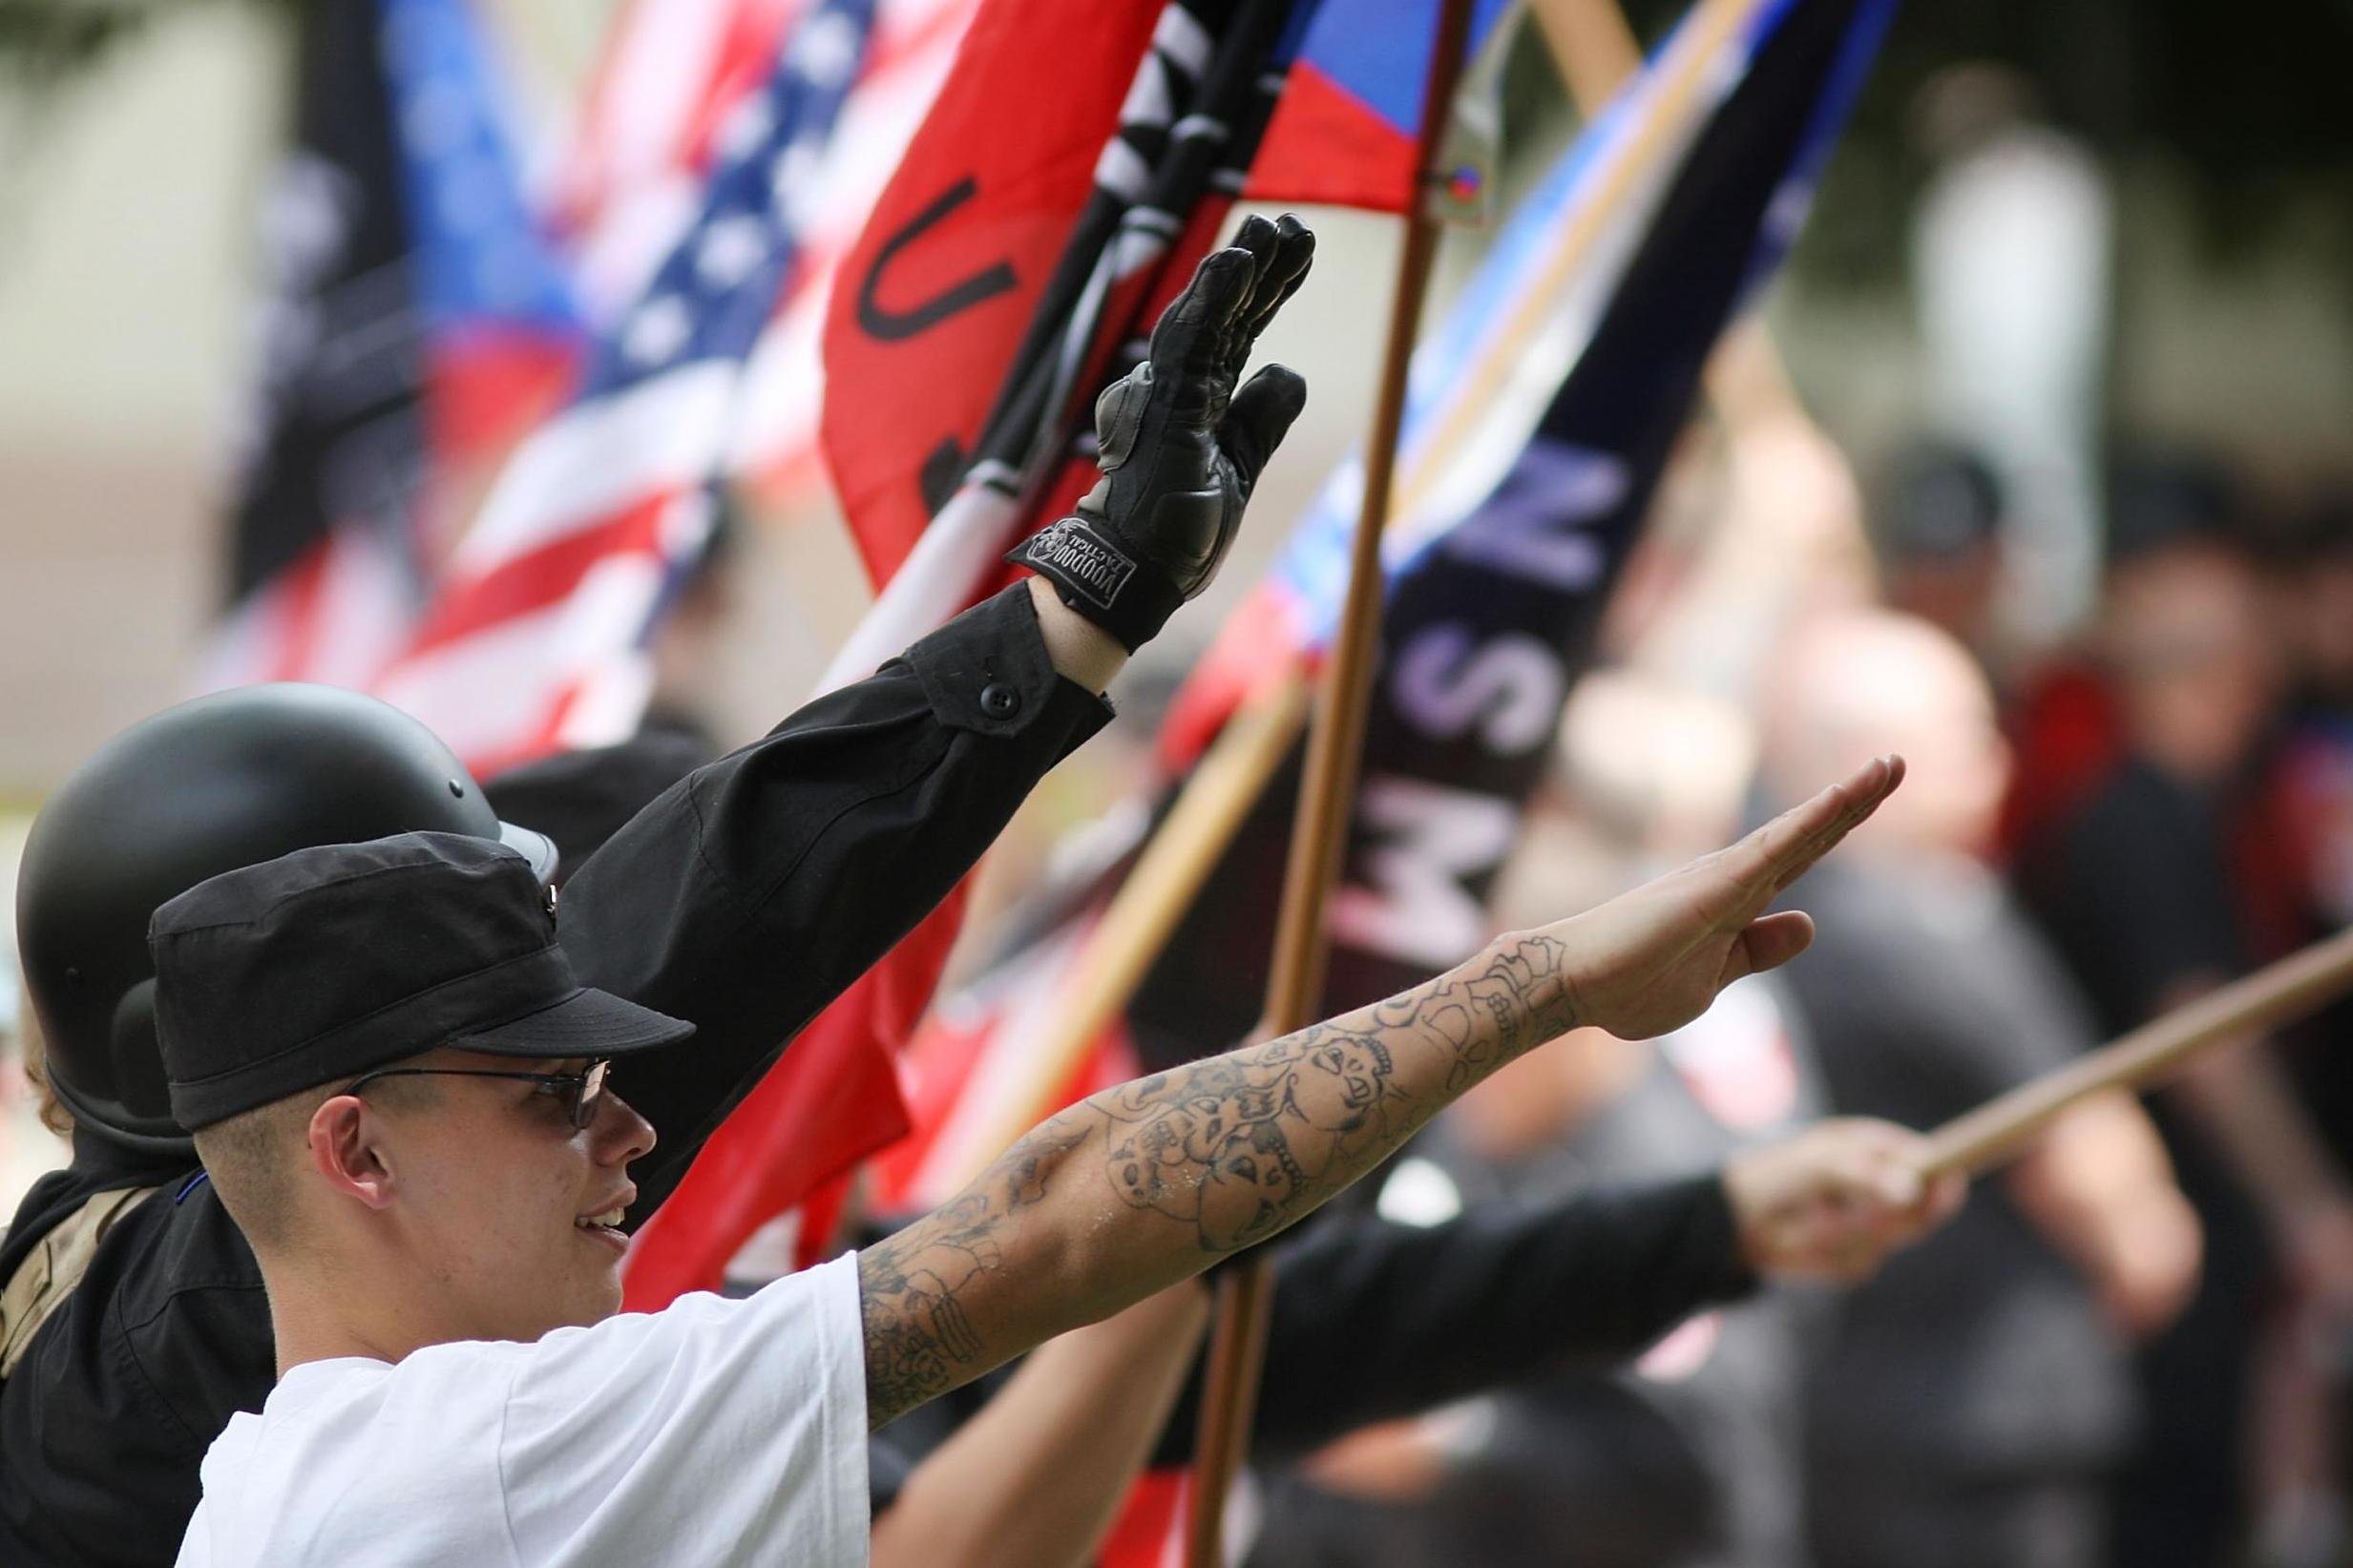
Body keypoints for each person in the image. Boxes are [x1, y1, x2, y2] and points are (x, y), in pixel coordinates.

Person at [0, 215, 1315, 1565]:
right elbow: (691, 930)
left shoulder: (135, 1306)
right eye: (517, 1054)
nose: (599, 1097)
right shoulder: (160, 1332)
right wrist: (1071, 614)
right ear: (330, 1130)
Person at [165, 749, 1943, 1564]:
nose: (630, 1121)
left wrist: (1707, 1219)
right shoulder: (468, 1462)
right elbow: (1052, 1227)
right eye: (550, 1089)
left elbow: (1232, 1316)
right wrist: (1546, 978)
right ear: (356, 1153)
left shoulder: (338, 1464)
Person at [1761, 609, 2200, 1568]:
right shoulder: (1927, 919)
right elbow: (2087, 1162)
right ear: (1881, 761)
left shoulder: (1755, 925)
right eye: (1970, 729)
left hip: (1834, 1401)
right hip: (1972, 1416)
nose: (1997, 756)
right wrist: (2145, 1244)